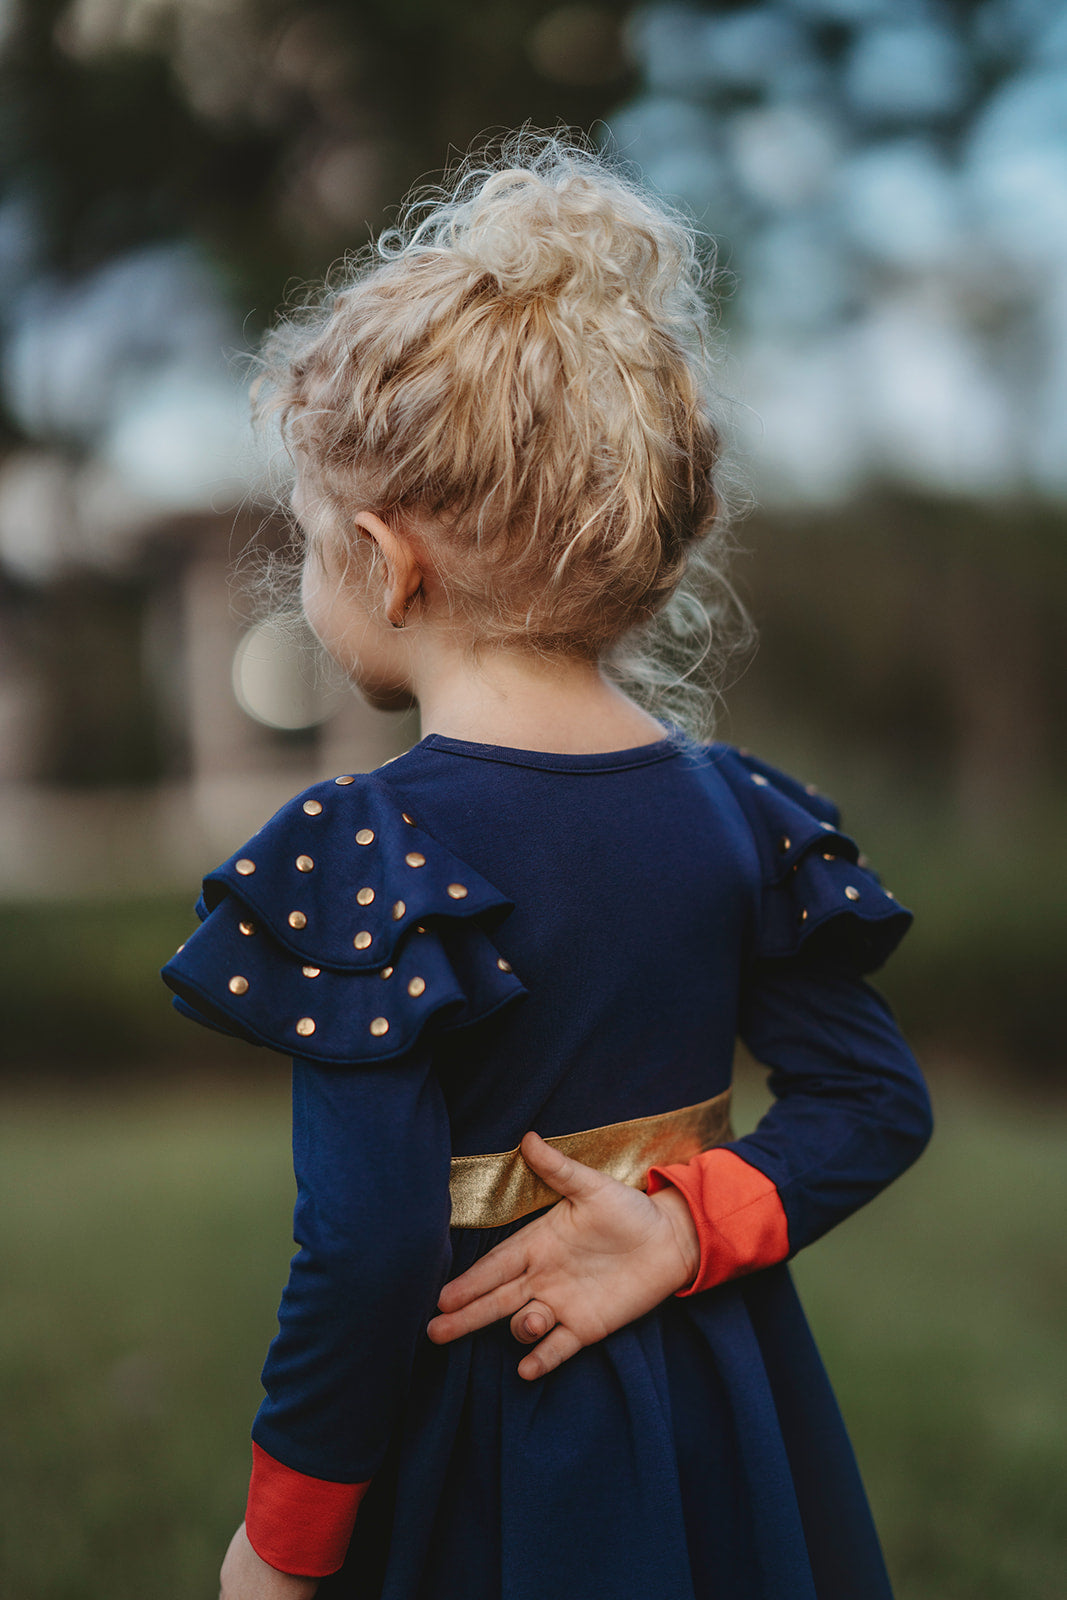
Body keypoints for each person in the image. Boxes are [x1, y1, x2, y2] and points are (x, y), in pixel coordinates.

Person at [160, 131, 933, 1600]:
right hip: (723, 1409)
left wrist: (286, 1540)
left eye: (312, 538)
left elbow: (373, 1248)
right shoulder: (739, 810)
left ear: (391, 565)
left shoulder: (371, 849)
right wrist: (676, 1230)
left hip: (498, 1433)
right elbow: (868, 1103)